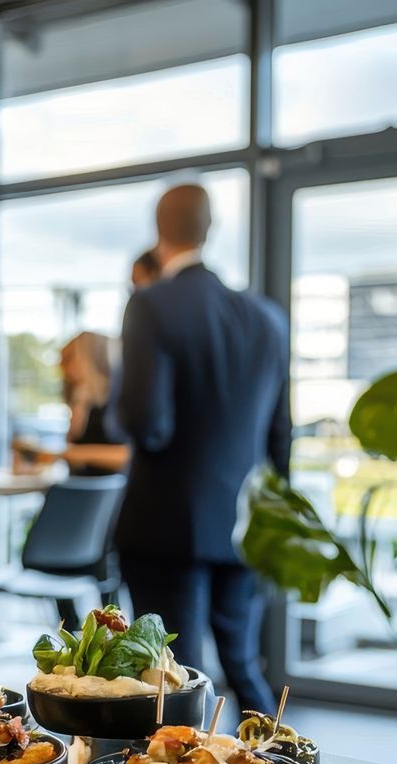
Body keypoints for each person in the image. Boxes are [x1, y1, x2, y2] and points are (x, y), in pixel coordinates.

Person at [113, 185, 289, 716]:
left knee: (172, 677)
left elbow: (149, 425)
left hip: (167, 525)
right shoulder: (266, 319)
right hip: (243, 525)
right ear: (208, 230)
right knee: (243, 665)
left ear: (159, 227)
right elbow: (280, 434)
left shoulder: (150, 306)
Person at [56, 332, 129, 477]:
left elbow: (126, 455)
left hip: (107, 491)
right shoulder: (81, 401)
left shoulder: (114, 402)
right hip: (80, 487)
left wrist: (77, 454)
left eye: (70, 358)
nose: (63, 367)